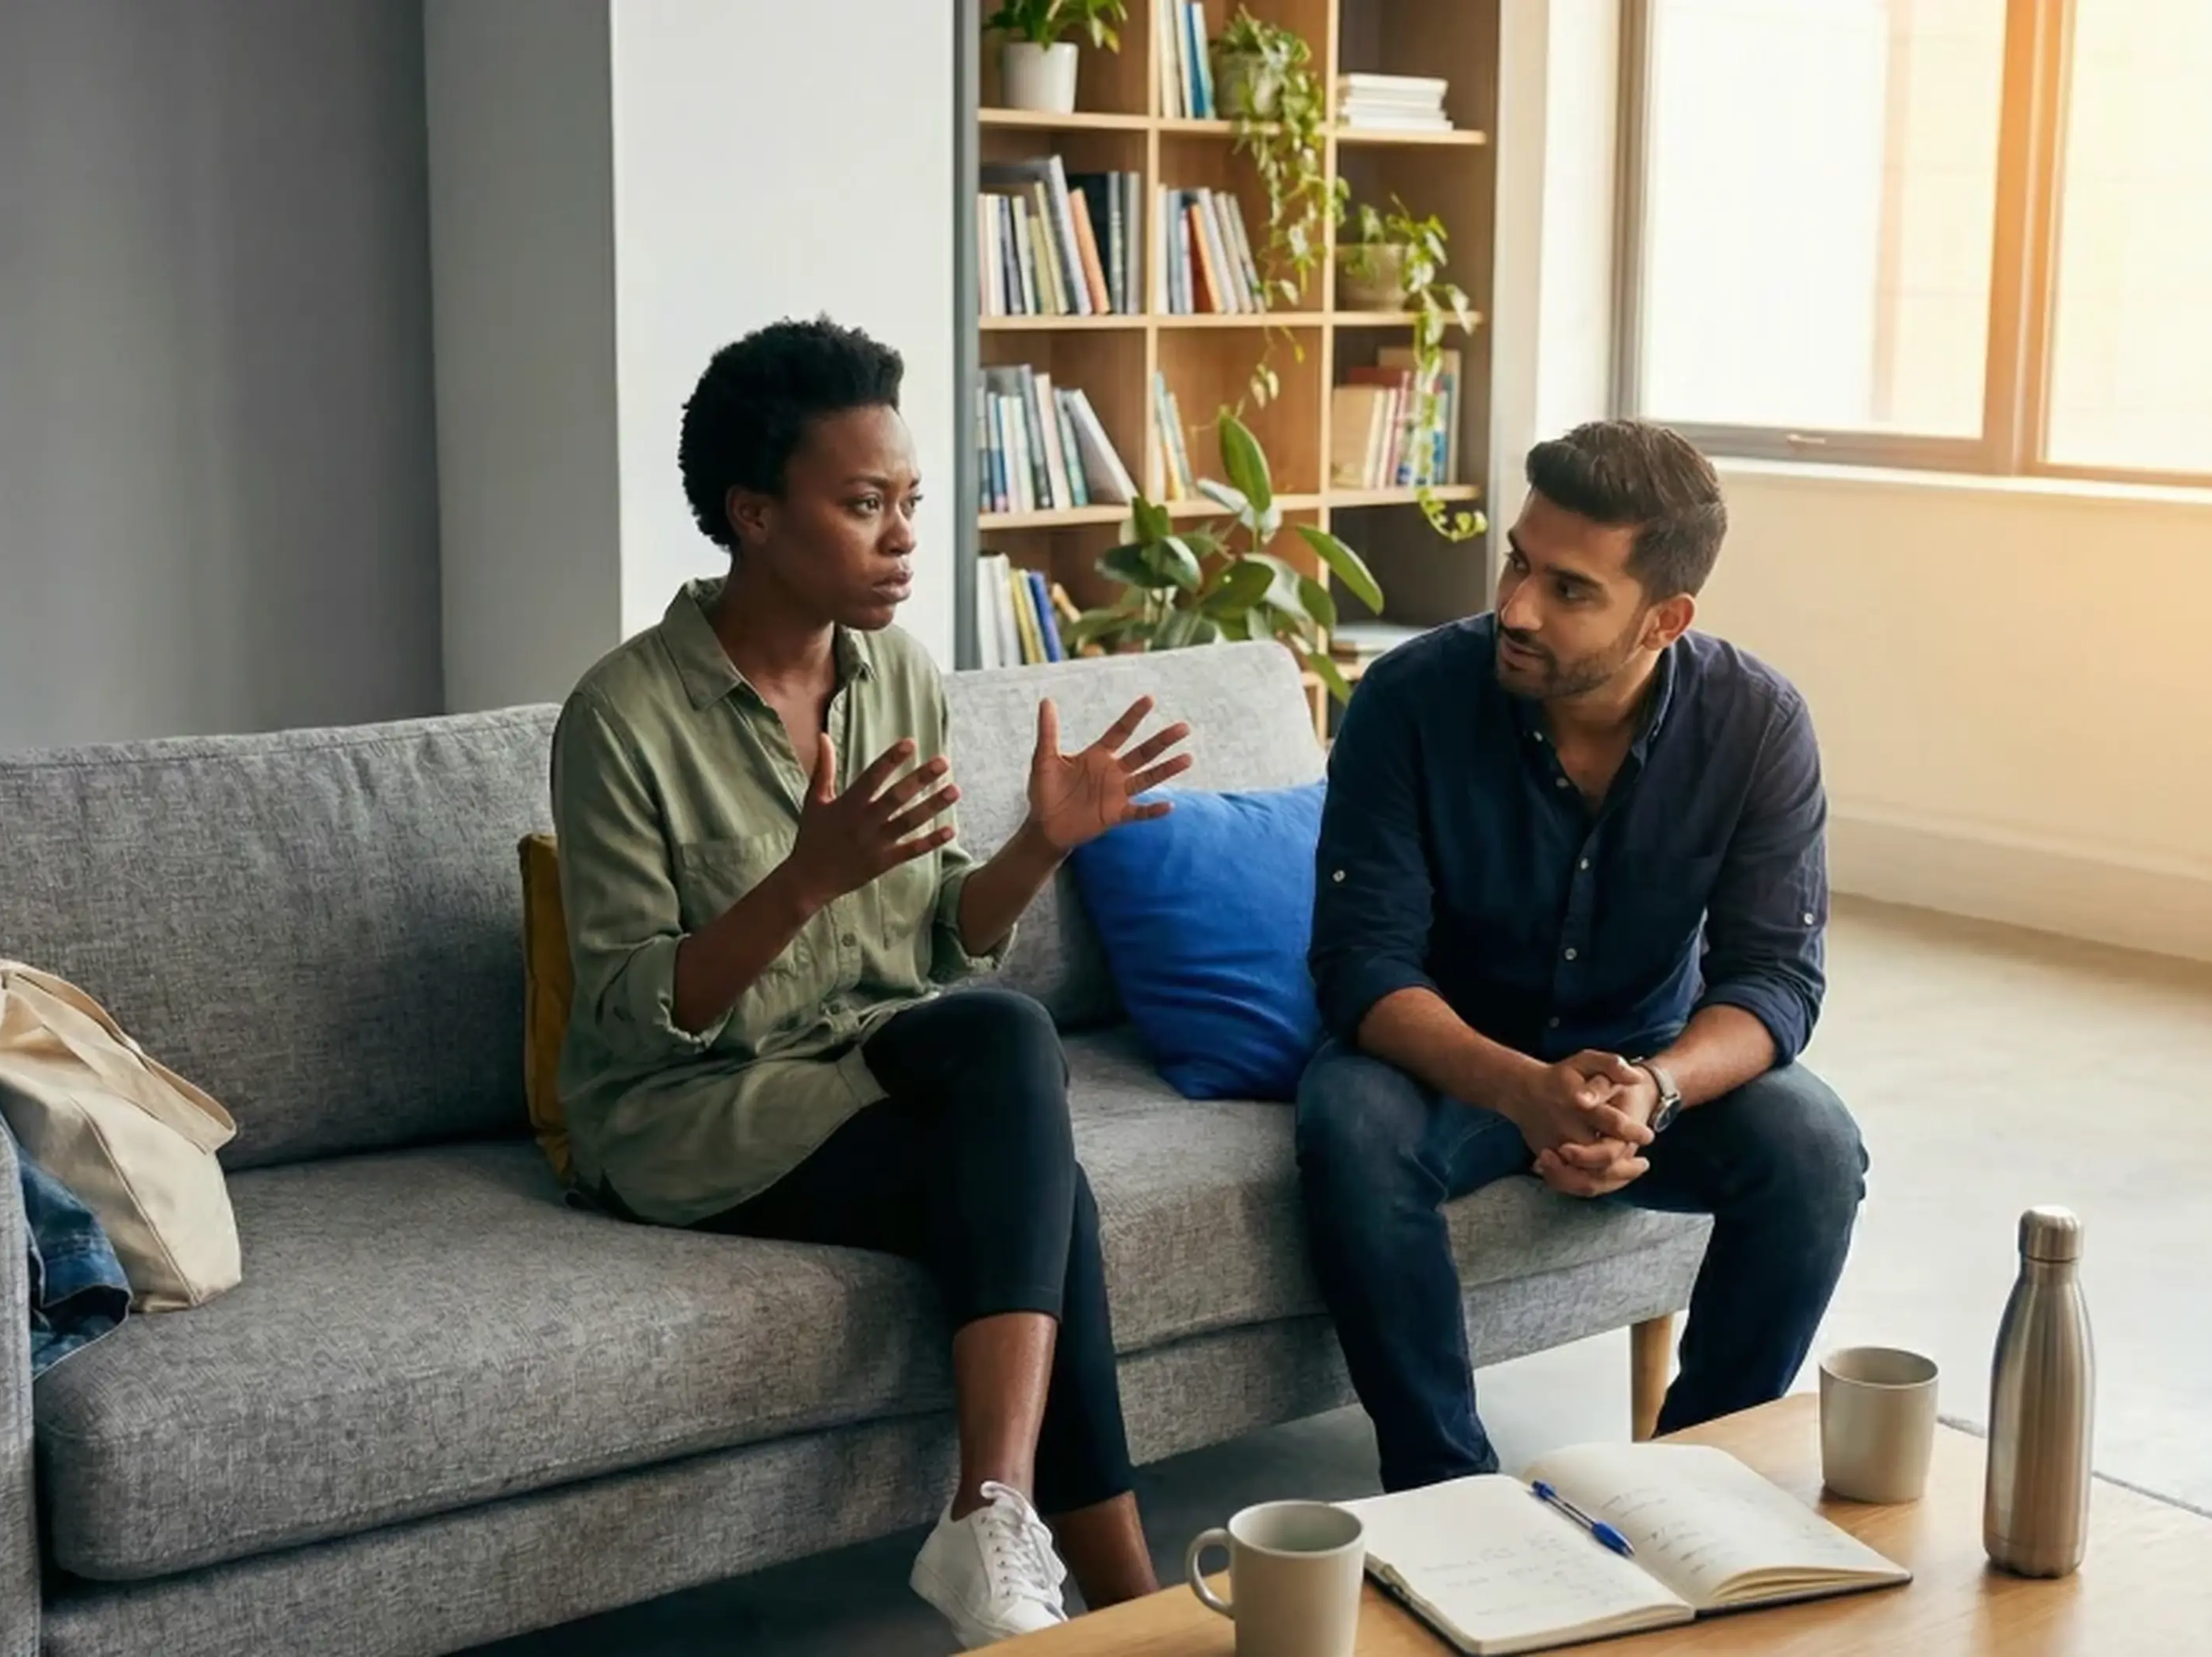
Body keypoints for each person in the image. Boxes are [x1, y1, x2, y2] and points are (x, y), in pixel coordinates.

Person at [549, 319, 1190, 1645]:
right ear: (755, 516)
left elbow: (946, 936)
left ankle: (1021, 1553)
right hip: (691, 1123)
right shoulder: (622, 717)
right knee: (1024, 1127)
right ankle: (1121, 1593)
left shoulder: (895, 672)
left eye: (910, 502)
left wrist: (1042, 844)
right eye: (863, 505)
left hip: (866, 1074)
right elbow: (631, 1012)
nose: (904, 537)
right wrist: (800, 880)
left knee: (1026, 1151)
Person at [1297, 418, 1868, 1492]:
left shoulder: (1758, 724)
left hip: (1640, 1069)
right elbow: (1363, 966)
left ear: (1666, 617)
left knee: (1815, 1146)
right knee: (1349, 1118)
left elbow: (1776, 979)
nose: (1515, 606)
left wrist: (1654, 1089)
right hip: (1445, 1063)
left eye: (1569, 590)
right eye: (1519, 561)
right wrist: (1523, 1092)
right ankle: (1449, 1495)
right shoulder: (1409, 698)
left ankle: (1698, 1484)